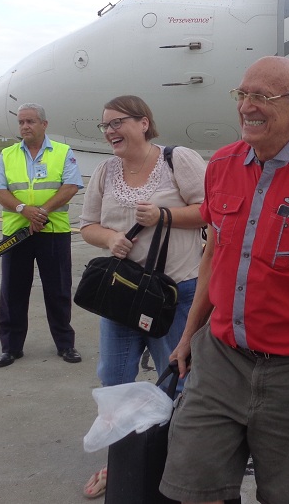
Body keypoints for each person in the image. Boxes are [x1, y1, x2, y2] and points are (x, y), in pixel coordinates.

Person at [159, 56, 289, 504]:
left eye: (262, 97)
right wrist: (188, 334)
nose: (247, 107)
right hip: (220, 359)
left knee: (286, 495)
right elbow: (212, 257)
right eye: (242, 94)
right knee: (195, 488)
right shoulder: (221, 165)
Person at [78, 95, 207, 499]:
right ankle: (122, 465)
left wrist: (165, 216)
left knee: (179, 381)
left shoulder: (176, 159)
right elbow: (87, 226)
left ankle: (177, 465)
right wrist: (111, 237)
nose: (111, 131)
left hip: (176, 293)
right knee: (114, 380)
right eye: (105, 126)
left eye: (118, 122)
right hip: (123, 296)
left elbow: (212, 210)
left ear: (144, 123)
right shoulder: (104, 171)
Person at [0, 102, 84, 368]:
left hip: (53, 232)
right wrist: (24, 210)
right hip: (17, 233)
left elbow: (71, 186)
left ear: (44, 124)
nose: (25, 127)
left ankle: (65, 344)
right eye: (21, 122)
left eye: (30, 121)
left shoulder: (63, 152)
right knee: (13, 291)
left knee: (58, 290)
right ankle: (10, 348)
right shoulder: (7, 155)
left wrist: (41, 212)